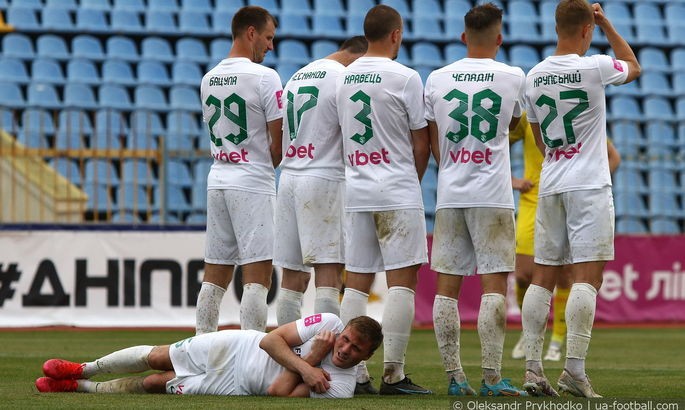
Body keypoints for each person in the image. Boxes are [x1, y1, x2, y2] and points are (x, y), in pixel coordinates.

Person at [521, 0, 640, 398]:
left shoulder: (533, 76)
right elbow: (634, 66)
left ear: (556, 28)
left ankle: (533, 369)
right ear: (588, 29)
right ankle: (573, 370)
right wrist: (607, 23)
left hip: (552, 182)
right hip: (588, 184)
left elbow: (540, 141)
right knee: (586, 277)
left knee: (543, 277)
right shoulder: (595, 67)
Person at [424, 3, 527, 397]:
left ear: (463, 36)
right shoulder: (513, 76)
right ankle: (492, 378)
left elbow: (432, 137)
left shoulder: (436, 78)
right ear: (499, 38)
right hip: (493, 194)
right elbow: (513, 123)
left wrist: (451, 165)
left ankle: (455, 377)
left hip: (451, 192)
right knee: (494, 285)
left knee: (446, 287)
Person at [335, 4, 432, 395]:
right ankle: (393, 374)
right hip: (396, 187)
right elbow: (421, 142)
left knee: (356, 283)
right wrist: (410, 181)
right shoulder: (405, 77)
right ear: (396, 35)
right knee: (401, 284)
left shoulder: (343, 77)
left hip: (356, 188)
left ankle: (355, 376)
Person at [35, 313, 383, 398]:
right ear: (342, 331)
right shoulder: (328, 323)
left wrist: (310, 362)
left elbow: (278, 392)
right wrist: (310, 363)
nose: (344, 349)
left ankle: (79, 387)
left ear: (367, 355)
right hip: (238, 345)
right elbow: (269, 341)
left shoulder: (342, 386)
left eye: (356, 349)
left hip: (235, 386)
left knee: (156, 383)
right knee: (158, 357)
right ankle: (83, 368)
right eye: (346, 340)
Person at [195, 6, 283, 335]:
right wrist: (261, 165)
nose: (271, 46)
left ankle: (200, 348)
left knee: (214, 276)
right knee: (257, 277)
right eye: (268, 37)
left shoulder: (209, 77)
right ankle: (251, 352)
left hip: (218, 177)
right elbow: (279, 141)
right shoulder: (265, 77)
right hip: (252, 181)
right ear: (251, 32)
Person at [509, 114, 622, 362]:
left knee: (565, 275)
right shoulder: (530, 115)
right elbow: (495, 146)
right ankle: (529, 331)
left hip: (572, 200)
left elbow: (613, 157)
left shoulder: (581, 118)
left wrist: (592, 181)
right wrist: (511, 180)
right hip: (533, 201)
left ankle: (557, 341)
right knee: (523, 274)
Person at [274, 36, 369, 326]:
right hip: (324, 177)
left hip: (289, 177)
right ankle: (325, 346)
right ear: (359, 58)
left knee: (292, 278)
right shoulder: (342, 77)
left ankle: (288, 347)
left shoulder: (298, 76)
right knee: (329, 274)